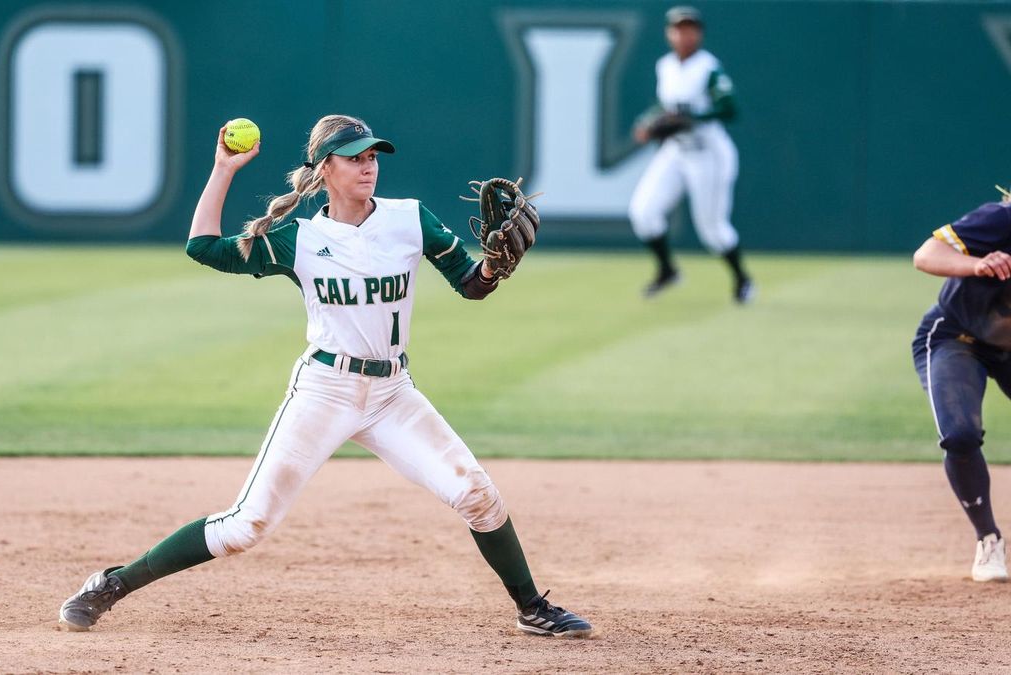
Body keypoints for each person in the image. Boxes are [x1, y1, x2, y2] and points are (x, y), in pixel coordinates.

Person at [56, 114, 594, 637]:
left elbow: (470, 285)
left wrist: (493, 268)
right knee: (247, 525)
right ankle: (112, 583)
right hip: (325, 390)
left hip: (392, 394)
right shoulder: (300, 240)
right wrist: (223, 170)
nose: (368, 167)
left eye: (372, 157)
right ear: (324, 170)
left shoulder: (410, 219)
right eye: (354, 158)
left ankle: (532, 607)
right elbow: (203, 248)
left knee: (477, 494)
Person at [911, 189, 1011, 582]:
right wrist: (977, 264)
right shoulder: (1001, 220)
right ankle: (988, 539)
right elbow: (925, 255)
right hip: (958, 336)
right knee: (960, 433)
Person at [628, 5, 754, 303]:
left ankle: (743, 280)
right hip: (676, 151)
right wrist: (647, 122)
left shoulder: (708, 67)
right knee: (643, 212)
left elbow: (729, 107)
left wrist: (695, 117)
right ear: (669, 34)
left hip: (708, 153)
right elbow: (666, 107)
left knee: (712, 230)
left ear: (699, 33)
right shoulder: (666, 66)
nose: (684, 34)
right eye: (678, 29)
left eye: (690, 29)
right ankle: (668, 270)